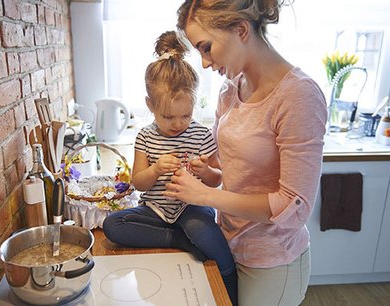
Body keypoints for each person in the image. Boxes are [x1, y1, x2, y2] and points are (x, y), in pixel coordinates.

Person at [163, 1, 328, 305]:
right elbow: (232, 169)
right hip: (228, 243)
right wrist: (206, 170)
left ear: (241, 30)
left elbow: (293, 207)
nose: (204, 62)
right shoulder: (231, 89)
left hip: (271, 261)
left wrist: (203, 196)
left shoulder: (298, 96)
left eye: (206, 47)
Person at [103, 30, 238, 304]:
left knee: (204, 231)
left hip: (192, 208)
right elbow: (138, 182)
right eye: (168, 116)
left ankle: (228, 277)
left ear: (194, 105)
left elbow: (217, 181)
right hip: (154, 211)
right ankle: (177, 239)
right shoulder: (145, 137)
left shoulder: (201, 134)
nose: (178, 124)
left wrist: (204, 173)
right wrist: (154, 170)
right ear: (150, 105)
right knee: (113, 224)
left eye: (186, 115)